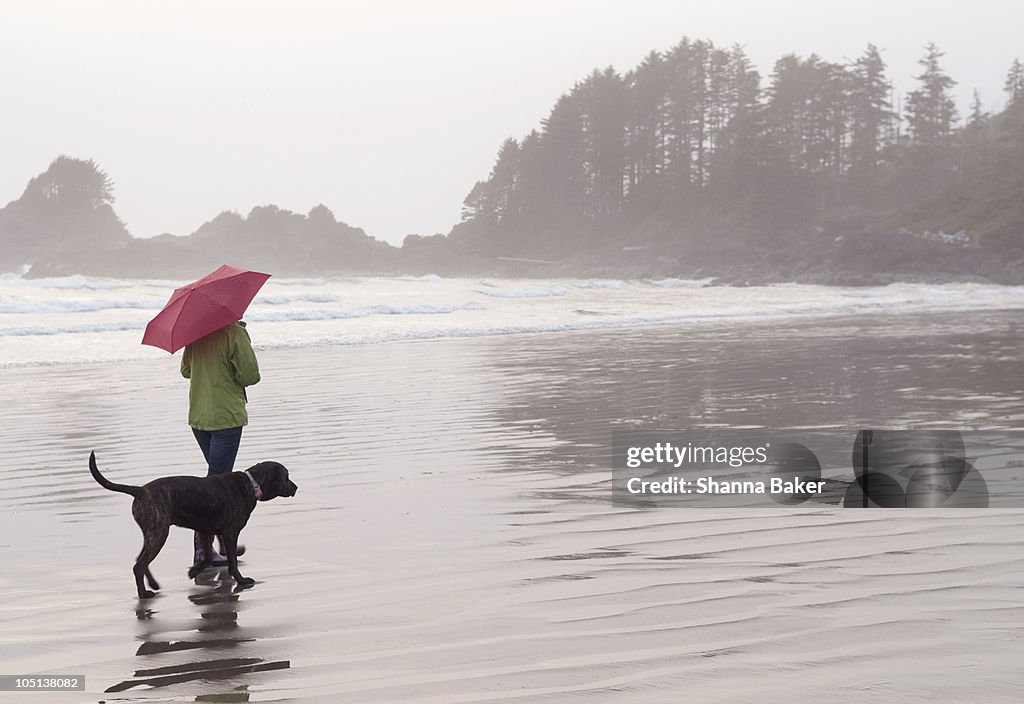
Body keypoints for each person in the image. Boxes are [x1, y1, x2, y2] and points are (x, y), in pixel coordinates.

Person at [181, 320, 261, 565]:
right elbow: (250, 375)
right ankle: (203, 550)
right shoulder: (235, 332)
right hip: (225, 416)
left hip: (199, 416)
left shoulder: (195, 330)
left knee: (218, 479)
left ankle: (223, 544)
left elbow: (186, 371)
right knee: (216, 484)